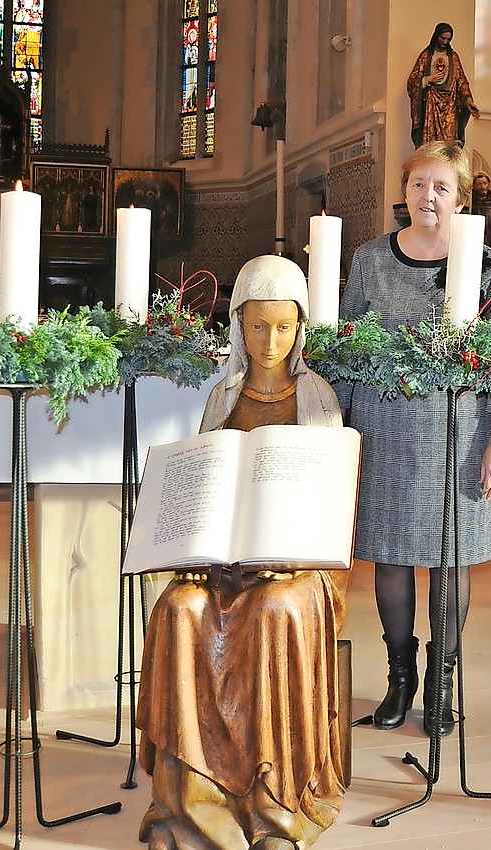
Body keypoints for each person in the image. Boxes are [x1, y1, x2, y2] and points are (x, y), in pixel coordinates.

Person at [135, 255, 347, 850]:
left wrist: (294, 556)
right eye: (258, 326)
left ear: (300, 328)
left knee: (278, 608)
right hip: (222, 562)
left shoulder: (319, 400)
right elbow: (203, 482)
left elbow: (329, 502)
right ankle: (190, 808)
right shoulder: (222, 396)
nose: (270, 341)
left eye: (283, 327)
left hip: (297, 566)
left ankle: (273, 808)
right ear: (238, 324)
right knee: (178, 609)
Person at [336, 141, 491, 737]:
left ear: (460, 199)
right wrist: (334, 432)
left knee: (450, 559)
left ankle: (441, 681)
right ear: (404, 191)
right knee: (389, 558)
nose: (427, 198)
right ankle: (399, 679)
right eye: (418, 185)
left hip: (457, 436)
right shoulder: (369, 260)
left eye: (441, 188)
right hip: (382, 435)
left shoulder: (484, 264)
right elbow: (343, 349)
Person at [406, 23, 480, 149]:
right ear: (436, 36)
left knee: (449, 146)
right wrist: (427, 79)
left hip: (450, 105)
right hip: (431, 103)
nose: (445, 42)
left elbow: (461, 82)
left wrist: (468, 101)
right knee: (430, 145)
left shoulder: (453, 58)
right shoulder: (426, 56)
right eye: (442, 38)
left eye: (448, 39)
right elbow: (411, 82)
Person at [470, 171, 491, 254]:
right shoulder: (470, 203)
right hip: (474, 244)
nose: (483, 187)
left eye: (485, 183)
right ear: (473, 186)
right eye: (479, 184)